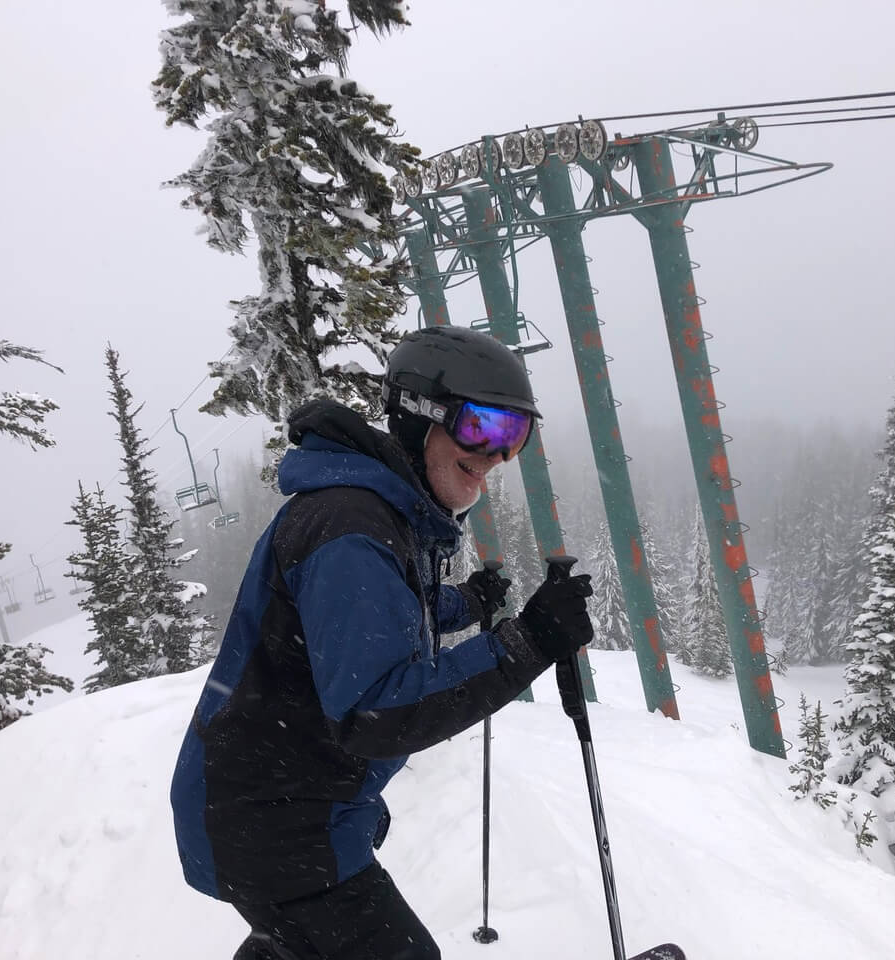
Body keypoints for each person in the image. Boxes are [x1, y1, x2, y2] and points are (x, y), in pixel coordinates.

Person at [169, 325, 594, 960]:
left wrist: (472, 605)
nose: (499, 455)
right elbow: (377, 709)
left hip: (281, 806)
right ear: (422, 416)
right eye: (485, 428)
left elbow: (391, 621)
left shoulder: (383, 518)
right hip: (273, 821)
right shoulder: (350, 526)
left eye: (517, 437)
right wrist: (528, 642)